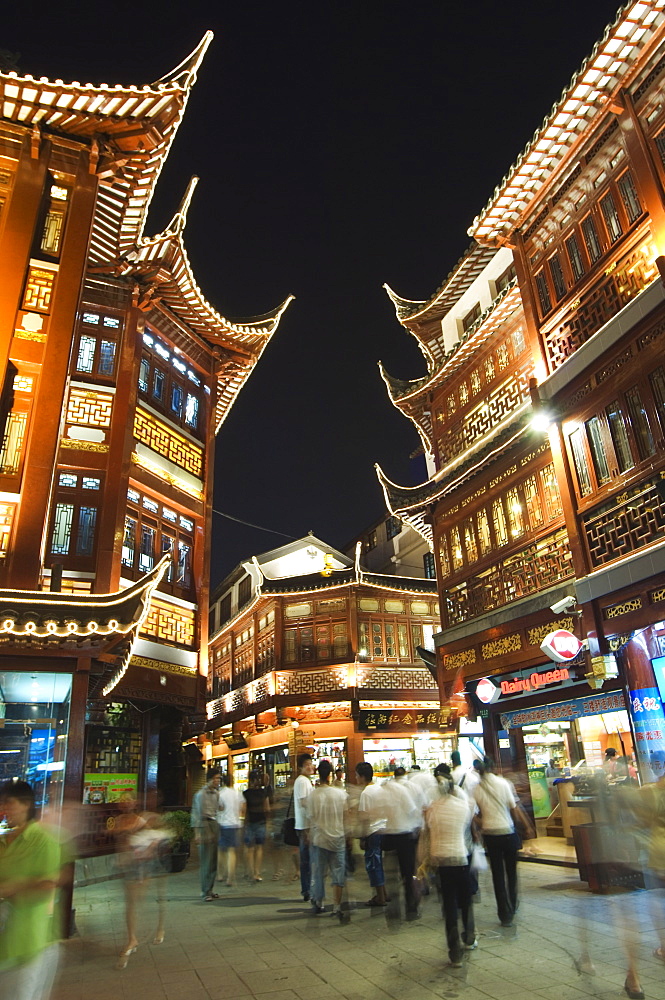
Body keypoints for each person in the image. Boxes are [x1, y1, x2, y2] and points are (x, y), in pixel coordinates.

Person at [0, 780, 63, 1000]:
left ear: (26, 805)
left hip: (28, 942)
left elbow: (48, 886)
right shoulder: (4, 841)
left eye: (9, 803)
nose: (4, 809)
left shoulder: (43, 841)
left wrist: (15, 888)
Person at [425, 766, 476, 967]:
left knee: (449, 906)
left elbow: (429, 832)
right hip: (461, 857)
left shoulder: (432, 809)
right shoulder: (463, 806)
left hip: (441, 861)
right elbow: (466, 829)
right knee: (465, 901)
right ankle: (469, 937)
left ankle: (454, 951)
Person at [472, 757, 531, 927]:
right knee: (511, 872)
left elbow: (472, 813)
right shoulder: (504, 783)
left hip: (490, 836)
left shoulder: (476, 788)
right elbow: (514, 808)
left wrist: (482, 824)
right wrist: (526, 826)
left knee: (497, 875)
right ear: (494, 767)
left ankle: (503, 914)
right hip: (507, 831)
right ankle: (512, 905)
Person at [308, 759, 348, 919]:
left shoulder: (313, 795)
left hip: (319, 838)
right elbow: (346, 817)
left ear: (319, 774)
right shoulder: (340, 794)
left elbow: (311, 818)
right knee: (337, 873)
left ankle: (319, 902)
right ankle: (336, 906)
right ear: (331, 775)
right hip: (338, 838)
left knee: (320, 873)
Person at [355, 760, 387, 906]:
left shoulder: (366, 793)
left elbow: (363, 817)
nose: (356, 779)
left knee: (373, 865)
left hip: (372, 832)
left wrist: (362, 837)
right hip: (383, 829)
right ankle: (383, 894)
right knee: (379, 863)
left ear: (362, 777)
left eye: (357, 776)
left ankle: (380, 897)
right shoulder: (380, 789)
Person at [191, 768, 222, 901]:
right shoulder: (200, 795)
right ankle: (205, 891)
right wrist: (197, 833)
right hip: (204, 825)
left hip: (214, 824)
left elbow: (218, 810)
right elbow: (197, 815)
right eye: (215, 778)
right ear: (209, 779)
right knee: (206, 860)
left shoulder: (216, 794)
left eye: (219, 778)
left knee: (214, 860)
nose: (217, 781)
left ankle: (210, 888)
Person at [294, 752, 315, 901]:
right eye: (306, 765)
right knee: (307, 860)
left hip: (305, 825)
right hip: (305, 825)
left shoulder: (305, 781)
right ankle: (307, 890)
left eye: (310, 763)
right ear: (301, 767)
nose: (310, 766)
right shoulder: (302, 781)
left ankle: (308, 889)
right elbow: (303, 802)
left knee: (307, 859)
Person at [243, 769, 270, 881]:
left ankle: (250, 872)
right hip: (261, 822)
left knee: (250, 848)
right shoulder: (263, 793)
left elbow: (244, 810)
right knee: (259, 848)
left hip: (250, 822)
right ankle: (257, 873)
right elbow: (267, 808)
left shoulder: (245, 793)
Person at [217, 772, 243, 887]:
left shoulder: (220, 794)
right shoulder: (238, 794)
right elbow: (242, 808)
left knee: (220, 850)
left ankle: (220, 874)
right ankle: (230, 878)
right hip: (234, 824)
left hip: (222, 823)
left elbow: (218, 808)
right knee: (231, 851)